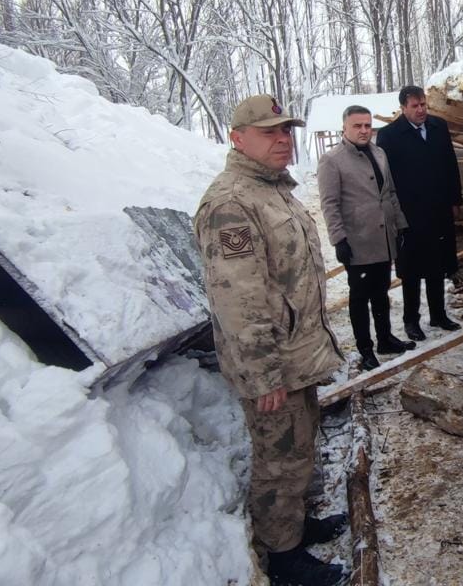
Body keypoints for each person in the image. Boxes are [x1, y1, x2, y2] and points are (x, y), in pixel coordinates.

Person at [193, 94, 348, 586]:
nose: (283, 139)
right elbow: (239, 300)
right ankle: (282, 555)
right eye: (269, 132)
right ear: (238, 139)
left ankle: (296, 526)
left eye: (286, 131)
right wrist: (263, 374)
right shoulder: (231, 204)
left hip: (296, 355)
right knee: (279, 458)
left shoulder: (273, 190)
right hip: (272, 364)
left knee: (299, 447)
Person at [317, 105, 412, 371]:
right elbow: (329, 204)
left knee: (381, 292)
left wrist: (400, 225)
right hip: (357, 241)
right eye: (357, 126)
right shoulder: (332, 160)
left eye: (367, 125)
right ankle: (365, 348)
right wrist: (339, 239)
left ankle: (385, 339)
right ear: (344, 128)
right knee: (360, 296)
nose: (364, 130)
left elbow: (389, 192)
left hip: (382, 238)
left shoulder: (379, 153)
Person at [375, 84, 463, 341]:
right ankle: (411, 321)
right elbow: (386, 179)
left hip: (438, 208)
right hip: (409, 212)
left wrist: (455, 199)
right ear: (403, 108)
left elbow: (450, 164)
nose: (421, 110)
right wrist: (392, 212)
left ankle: (438, 314)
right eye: (415, 106)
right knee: (411, 269)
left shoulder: (439, 127)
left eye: (423, 104)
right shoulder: (390, 136)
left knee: (437, 264)